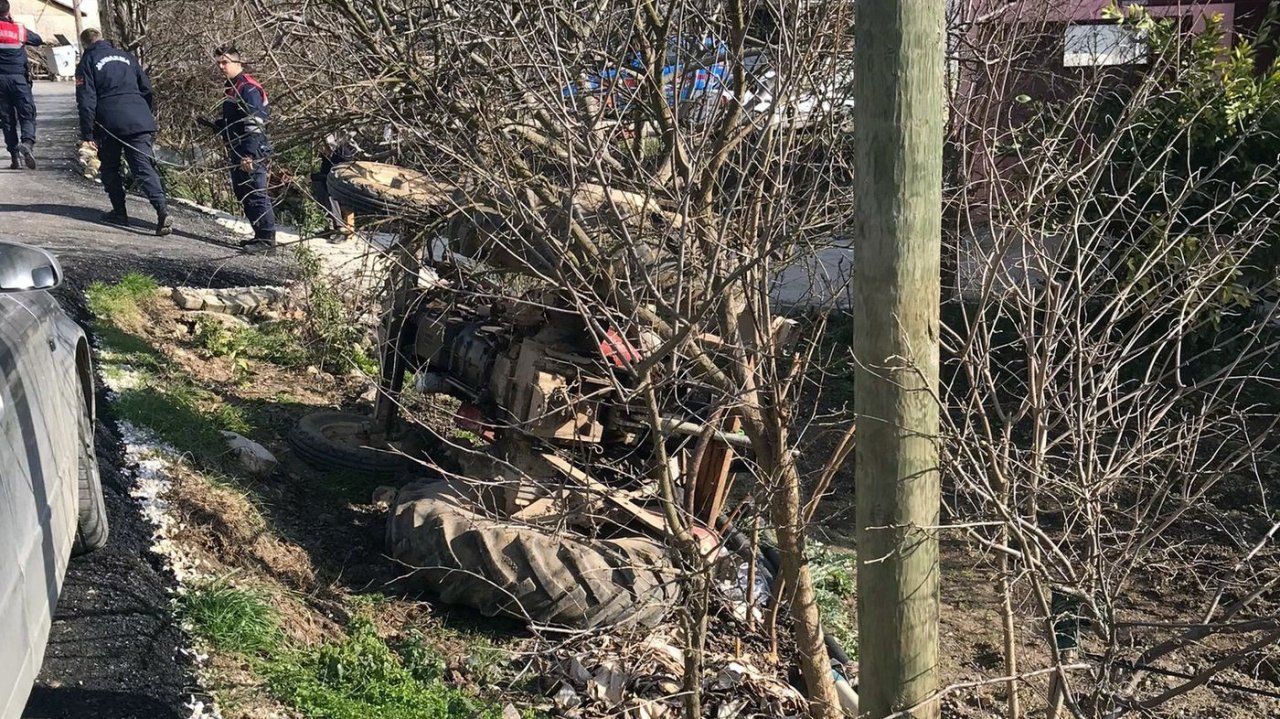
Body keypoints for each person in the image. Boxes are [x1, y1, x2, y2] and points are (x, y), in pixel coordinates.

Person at [75, 28, 172, 235]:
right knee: (143, 166)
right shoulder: (127, 57)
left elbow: (86, 101)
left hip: (109, 122)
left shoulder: (87, 63)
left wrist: (87, 133)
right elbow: (146, 88)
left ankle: (119, 212)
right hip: (139, 119)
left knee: (110, 167)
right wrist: (142, 112)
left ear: (84, 45)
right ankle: (162, 209)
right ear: (102, 39)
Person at [199, 45, 275, 251]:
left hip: (251, 149)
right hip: (238, 147)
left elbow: (255, 122)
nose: (221, 66)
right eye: (219, 63)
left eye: (225, 62)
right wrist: (217, 126)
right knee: (243, 192)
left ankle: (267, 240)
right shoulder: (233, 86)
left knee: (256, 193)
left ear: (238, 62)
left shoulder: (248, 87)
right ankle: (259, 235)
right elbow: (236, 121)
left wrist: (249, 154)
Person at [0, 0, 42, 169]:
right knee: (27, 113)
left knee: (7, 119)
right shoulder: (18, 30)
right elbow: (37, 40)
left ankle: (14, 157)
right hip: (19, 80)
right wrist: (11, 22)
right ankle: (27, 143)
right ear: (8, 11)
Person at [311, 130, 358, 240]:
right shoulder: (326, 156)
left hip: (345, 185)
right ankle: (330, 225)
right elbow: (325, 173)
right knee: (319, 186)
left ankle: (341, 228)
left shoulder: (342, 154)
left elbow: (338, 176)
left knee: (331, 194)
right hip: (332, 183)